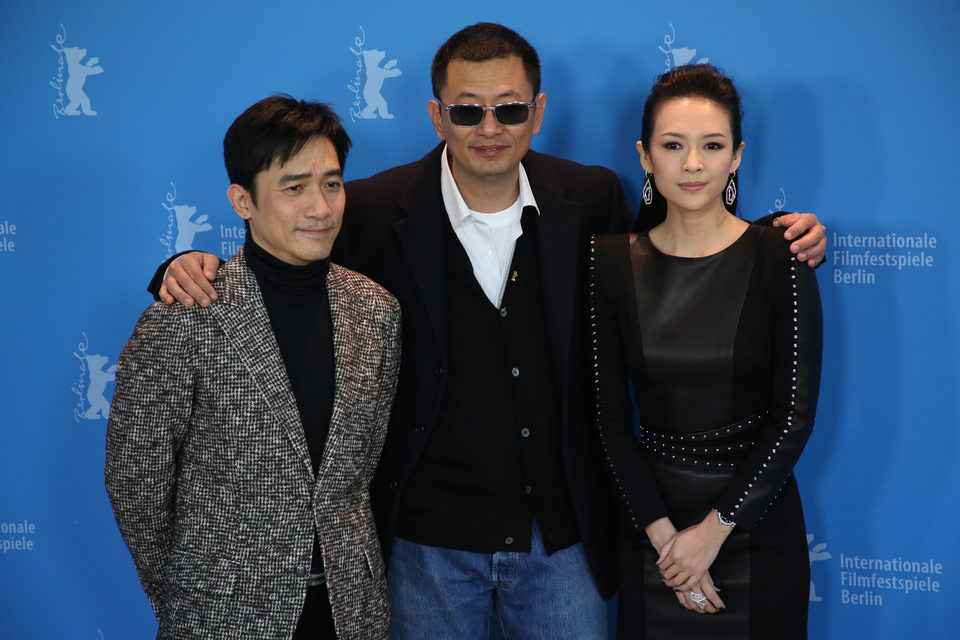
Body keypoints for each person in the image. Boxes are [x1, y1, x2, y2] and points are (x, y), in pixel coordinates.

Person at [148, 24, 826, 639]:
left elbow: (680, 253)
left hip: (562, 546)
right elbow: (290, 267)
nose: (489, 127)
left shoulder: (589, 199)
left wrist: (774, 238)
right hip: (425, 550)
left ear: (538, 111)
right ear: (437, 115)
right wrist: (186, 265)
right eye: (467, 110)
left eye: (509, 108)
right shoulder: (375, 211)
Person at [105, 96, 401, 640]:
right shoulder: (186, 316)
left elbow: (363, 469)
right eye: (294, 187)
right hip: (222, 614)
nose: (320, 207)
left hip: (352, 612)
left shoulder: (375, 310)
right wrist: (190, 590)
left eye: (332, 183)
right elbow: (137, 485)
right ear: (243, 200)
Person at [590, 63, 822, 639]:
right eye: (673, 146)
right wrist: (670, 545)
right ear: (645, 156)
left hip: (755, 525)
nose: (693, 164)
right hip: (653, 531)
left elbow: (792, 419)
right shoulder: (610, 261)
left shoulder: (782, 257)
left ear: (736, 156)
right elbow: (608, 421)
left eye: (711, 145)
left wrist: (713, 532)